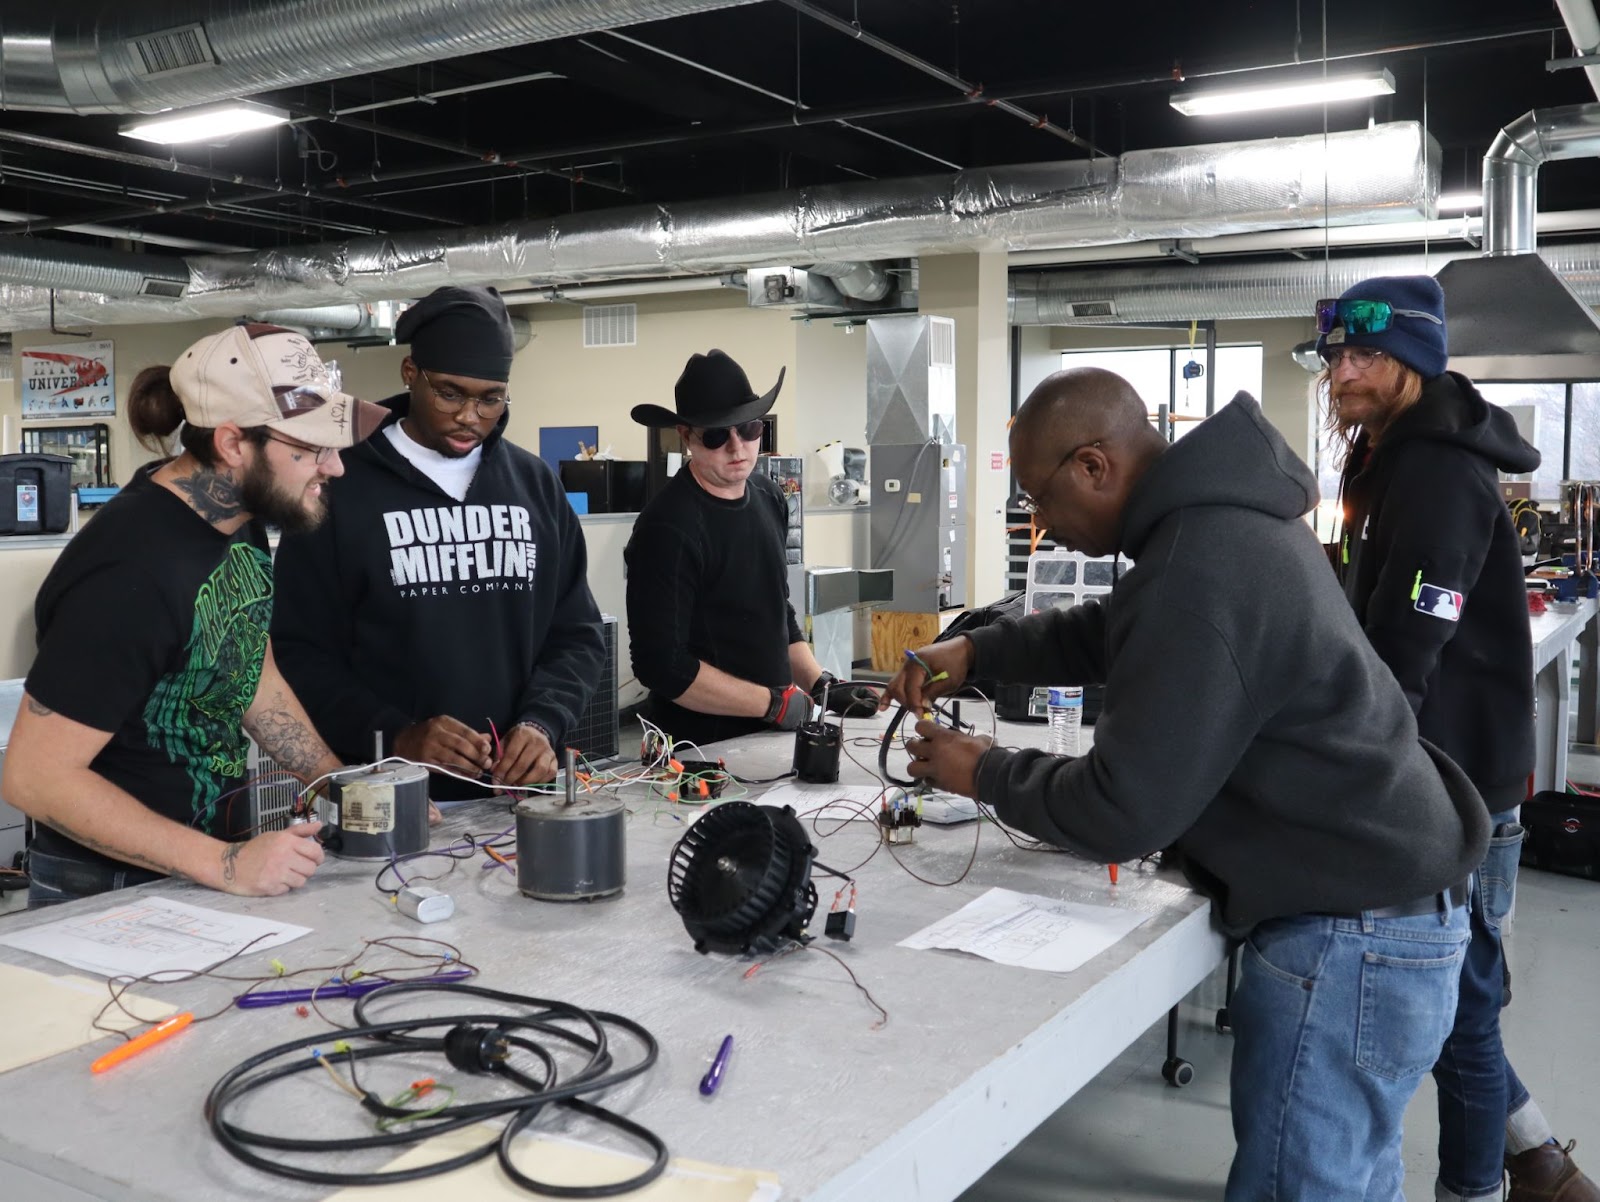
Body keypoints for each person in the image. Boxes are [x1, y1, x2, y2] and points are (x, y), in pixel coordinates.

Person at [883, 368, 1490, 1201]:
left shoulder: (1199, 561)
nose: (1042, 527)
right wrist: (982, 651)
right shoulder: (1214, 525)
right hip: (1389, 907)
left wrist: (980, 769)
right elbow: (1121, 630)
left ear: (1093, 465)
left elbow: (1122, 810)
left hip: (1352, 933)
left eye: (1040, 498)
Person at [1321, 275, 1596, 1202]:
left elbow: (1410, 639)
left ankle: (1480, 1187)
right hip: (1443, 769)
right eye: (1335, 355)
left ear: (1414, 363)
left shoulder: (1436, 468)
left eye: (1365, 356)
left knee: (1463, 1013)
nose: (1343, 373)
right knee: (1459, 996)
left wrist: (1354, 764)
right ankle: (1539, 1159)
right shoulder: (1392, 453)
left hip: (1455, 784)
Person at [2, 323, 387, 903]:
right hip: (109, 887)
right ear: (234, 444)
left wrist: (341, 786)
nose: (334, 469)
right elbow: (35, 778)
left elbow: (251, 671)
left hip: (198, 866)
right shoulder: (129, 569)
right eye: (309, 450)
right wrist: (228, 865)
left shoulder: (240, 520)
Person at [272, 286, 605, 796]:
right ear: (410, 374)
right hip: (388, 797)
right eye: (450, 393)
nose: (470, 416)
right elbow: (298, 653)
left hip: (514, 800)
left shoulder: (534, 485)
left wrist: (543, 724)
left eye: (491, 398)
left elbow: (576, 634)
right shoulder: (338, 484)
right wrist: (394, 734)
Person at [624, 349, 875, 749]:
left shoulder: (769, 496)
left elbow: (777, 611)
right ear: (686, 437)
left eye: (749, 428)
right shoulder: (666, 527)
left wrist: (821, 683)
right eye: (716, 435)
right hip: (701, 749)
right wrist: (772, 704)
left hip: (772, 735)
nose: (737, 447)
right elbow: (662, 666)